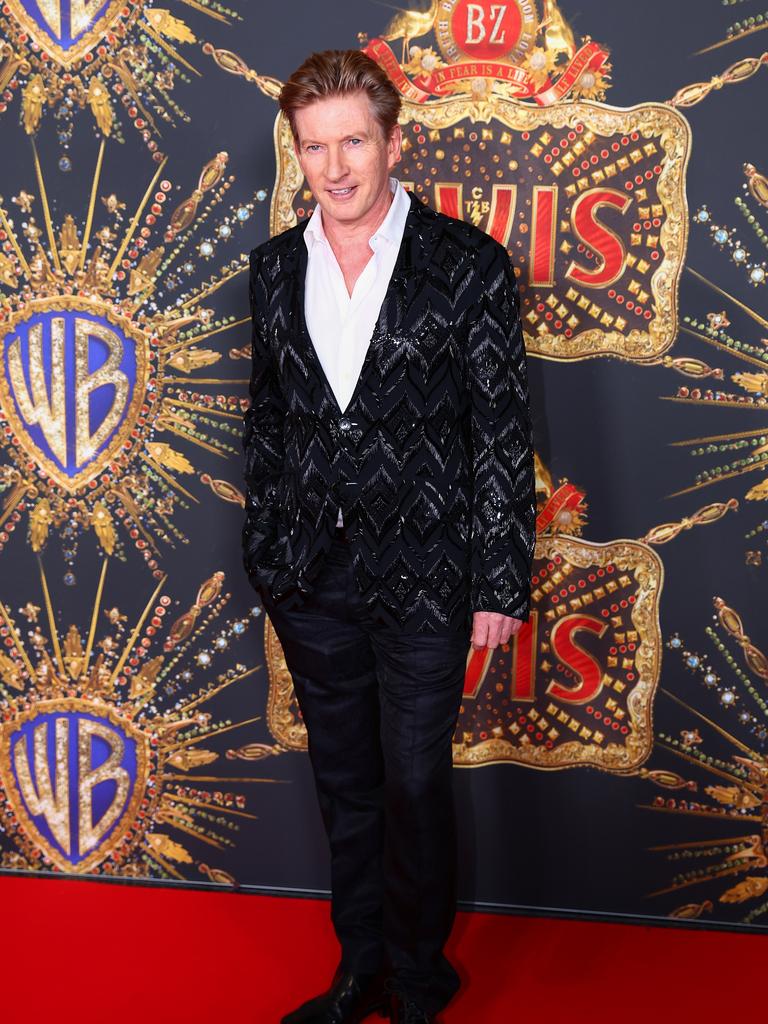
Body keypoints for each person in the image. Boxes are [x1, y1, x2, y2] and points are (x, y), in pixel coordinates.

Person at [242, 49, 536, 1024]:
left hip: (427, 577)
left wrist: (500, 579)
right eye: (314, 146)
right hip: (312, 577)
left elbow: (500, 430)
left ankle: (418, 977)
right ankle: (357, 967)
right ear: (298, 150)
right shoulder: (275, 267)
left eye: (353, 142)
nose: (334, 167)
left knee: (413, 784)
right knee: (345, 781)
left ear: (392, 141)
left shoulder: (468, 264)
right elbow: (270, 421)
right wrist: (270, 554)